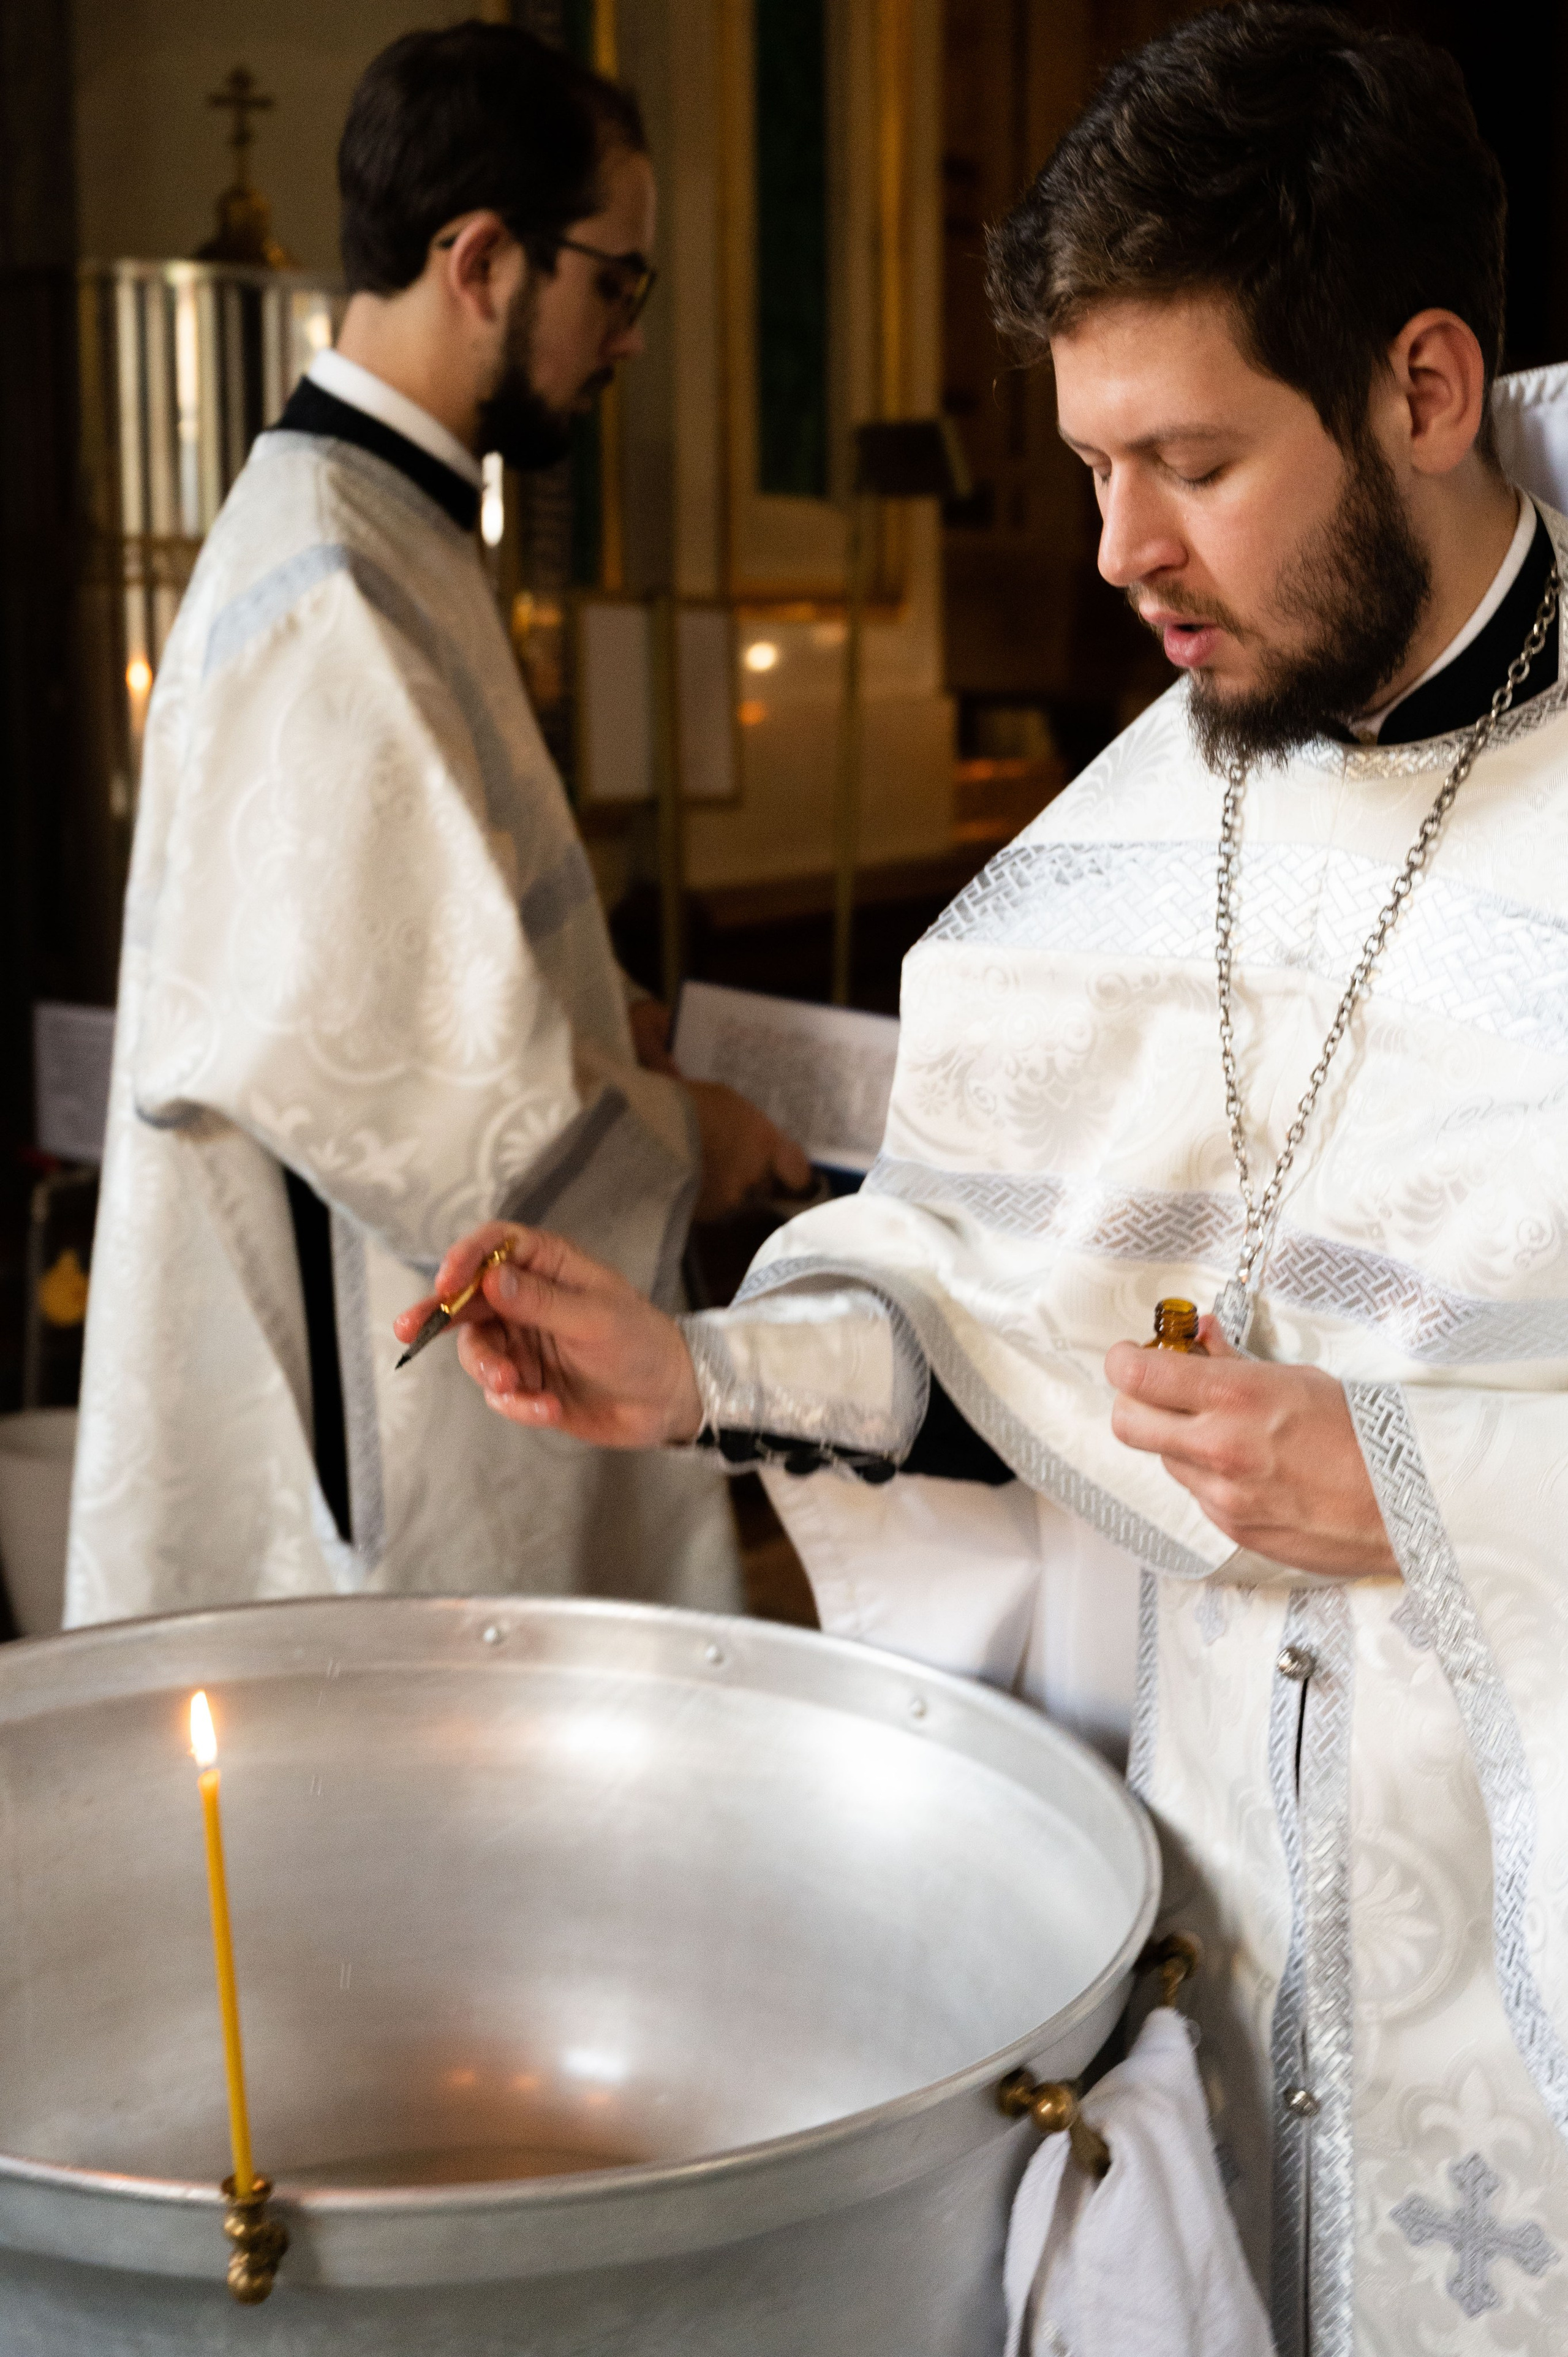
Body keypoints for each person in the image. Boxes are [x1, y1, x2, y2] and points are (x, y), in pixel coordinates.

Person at [404, 9, 1568, 2348]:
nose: (1119, 550)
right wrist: (705, 1368)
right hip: (1232, 1942)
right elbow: (998, 1338)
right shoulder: (1144, 830)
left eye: (1193, 461)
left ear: (1428, 389)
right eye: (1092, 459)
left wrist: (1445, 1492)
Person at [67, 23, 806, 1626]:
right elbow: (422, 1104)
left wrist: (593, 1007)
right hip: (388, 1383)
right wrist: (700, 1138)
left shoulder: (388, 522)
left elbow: (408, 937)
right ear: (480, 259)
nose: (626, 338)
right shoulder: (332, 577)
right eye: (617, 283)